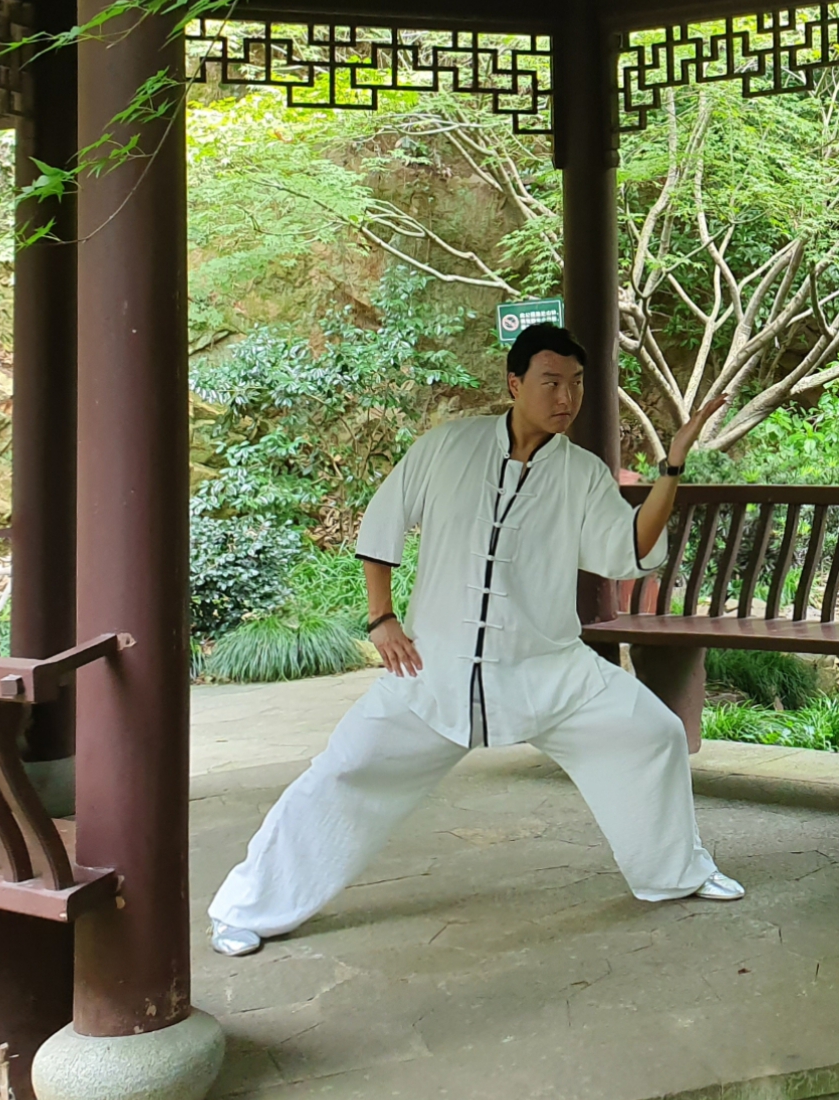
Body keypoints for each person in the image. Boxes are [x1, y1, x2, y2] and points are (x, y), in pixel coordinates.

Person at [207, 325, 739, 955]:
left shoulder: (583, 474)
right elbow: (384, 517)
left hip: (549, 669)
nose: (566, 397)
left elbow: (630, 550)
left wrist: (671, 466)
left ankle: (675, 873)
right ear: (514, 384)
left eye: (575, 385)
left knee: (651, 735)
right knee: (346, 770)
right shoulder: (447, 447)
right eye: (551, 382)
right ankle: (247, 908)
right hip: (433, 669)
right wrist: (382, 619)